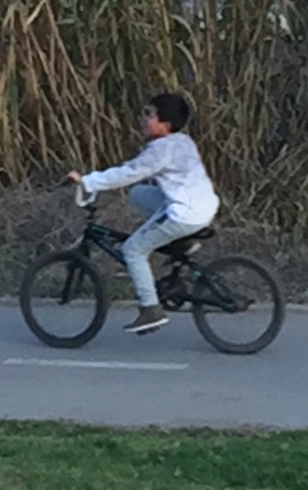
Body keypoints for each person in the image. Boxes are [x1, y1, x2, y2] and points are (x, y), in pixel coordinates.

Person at [74, 91, 219, 336]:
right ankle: (180, 242)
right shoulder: (182, 141)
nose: (143, 119)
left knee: (133, 249)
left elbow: (128, 173)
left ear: (165, 124)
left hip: (184, 214)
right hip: (202, 206)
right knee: (139, 194)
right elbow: (138, 173)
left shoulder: (160, 150)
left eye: (150, 115)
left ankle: (151, 309)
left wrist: (88, 181)